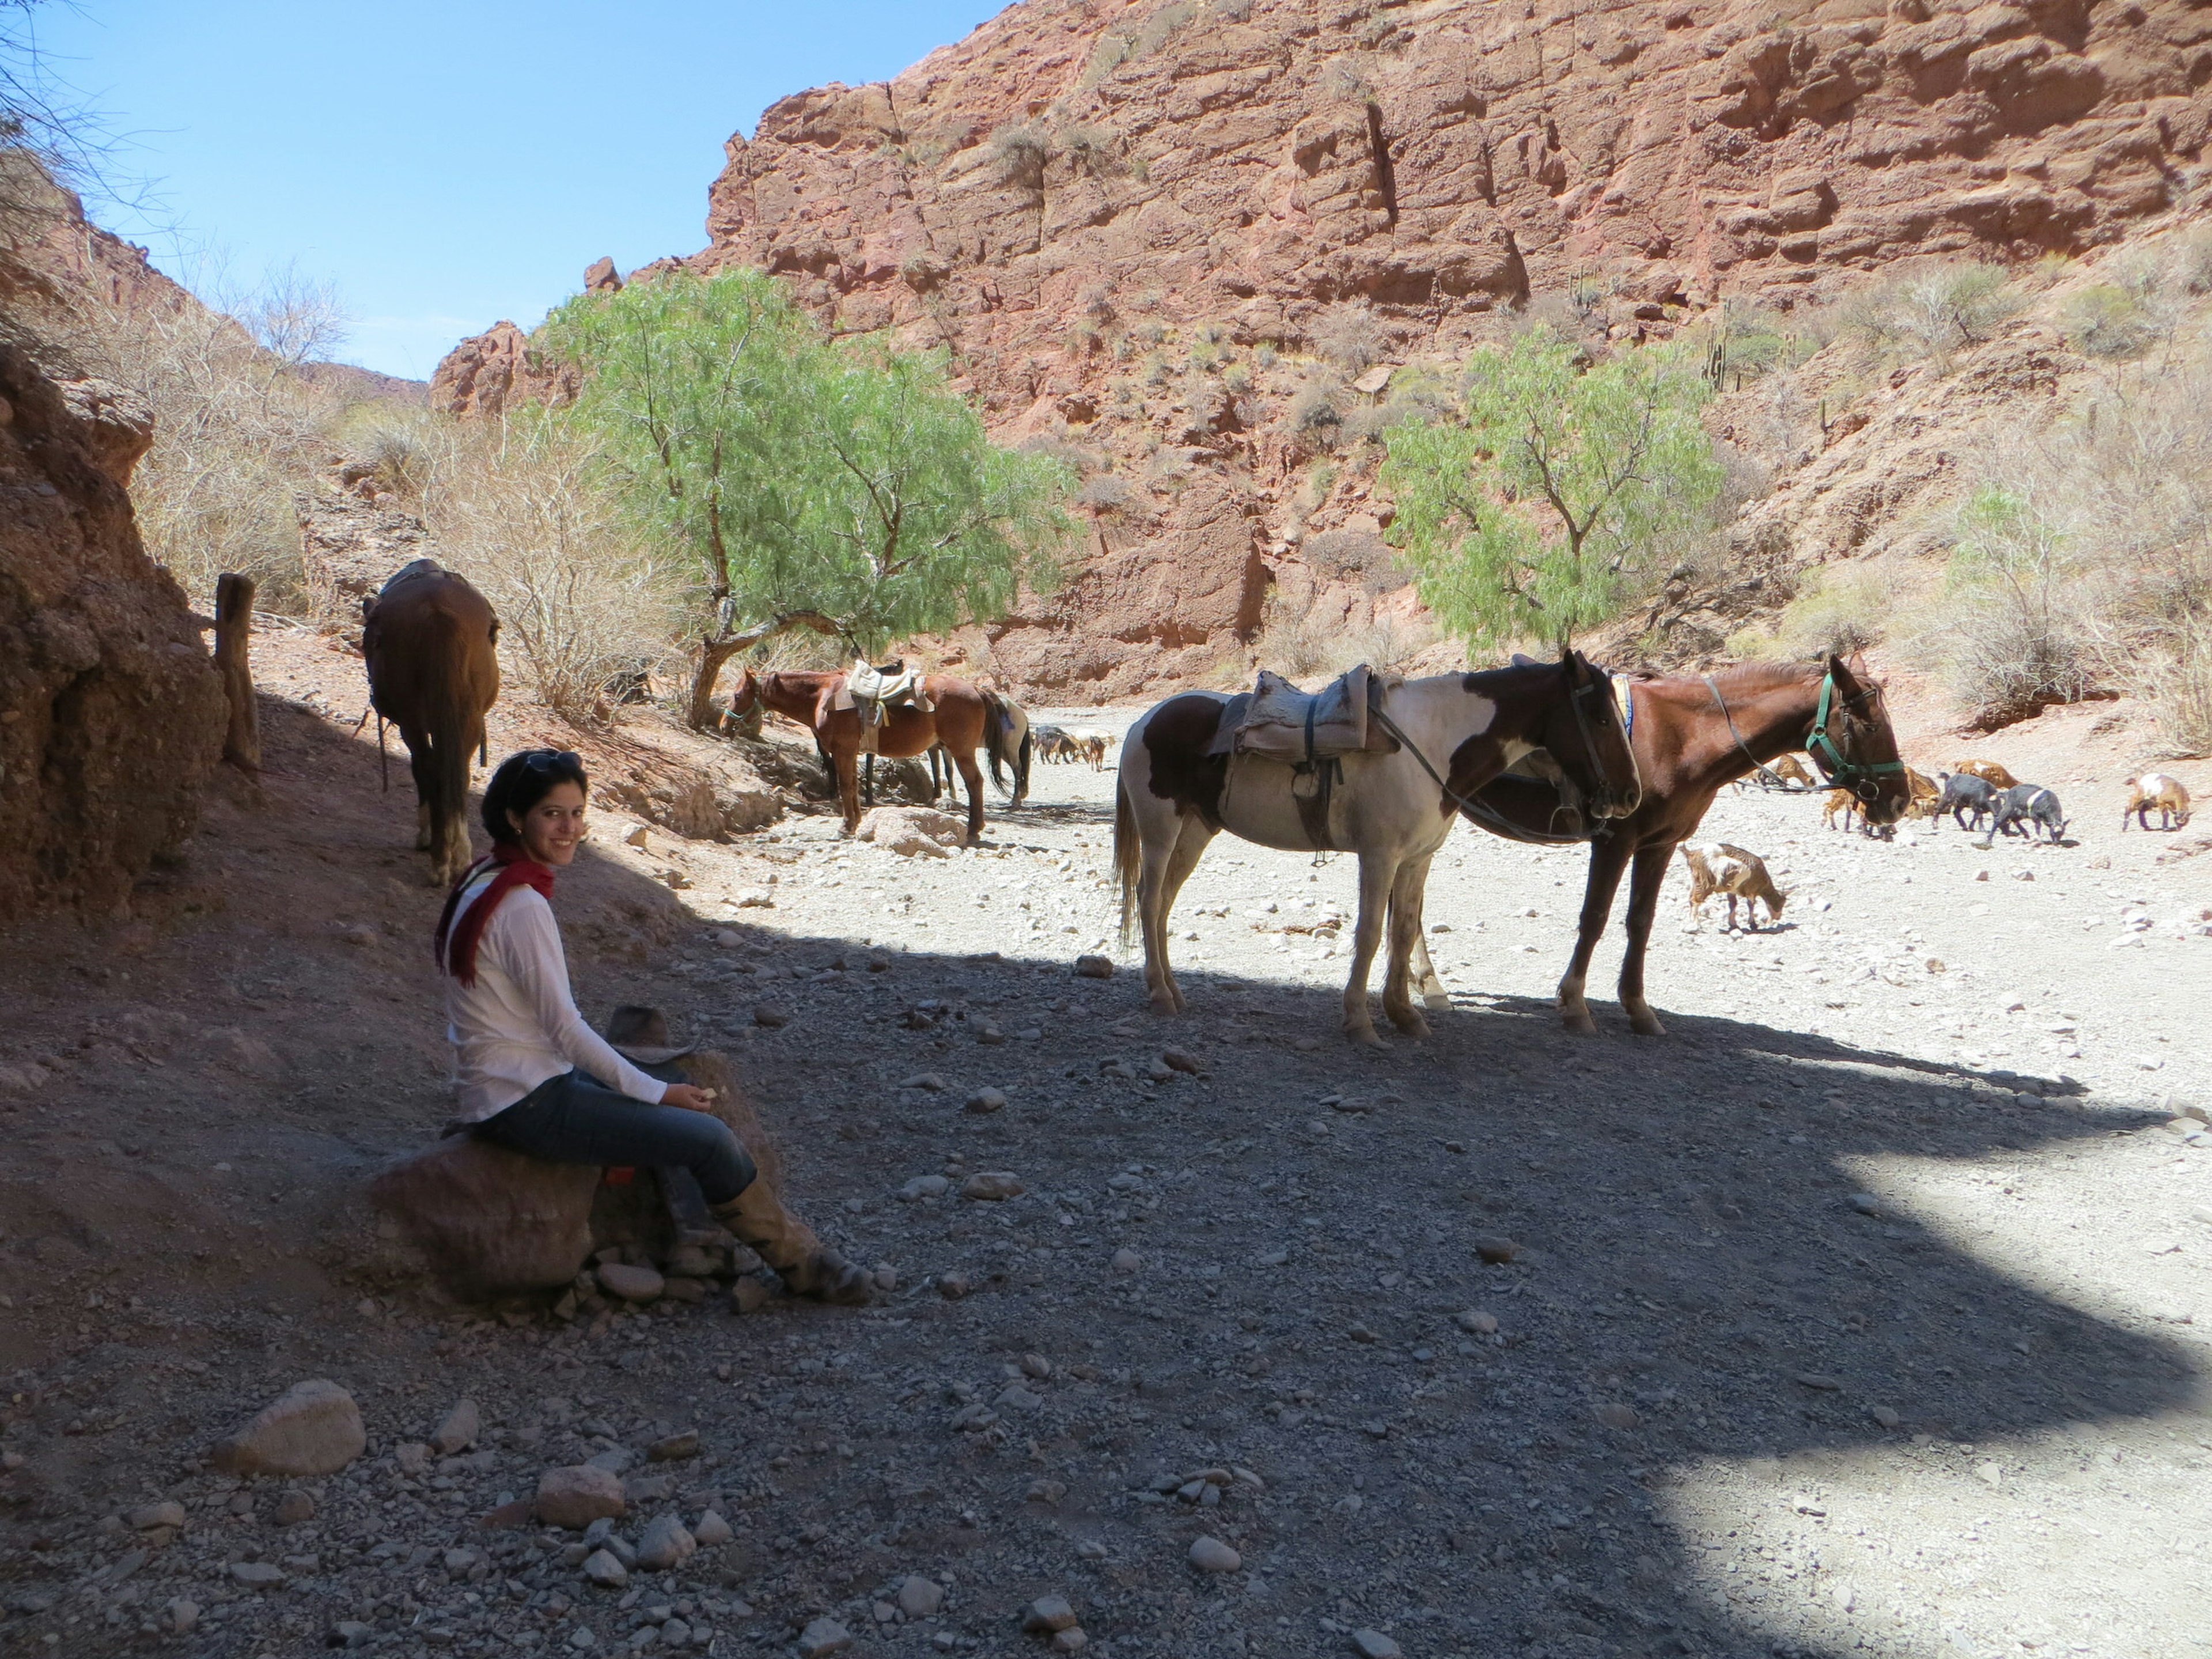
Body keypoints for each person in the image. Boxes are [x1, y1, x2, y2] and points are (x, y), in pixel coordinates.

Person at [434, 747, 870, 1304]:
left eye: (576, 812)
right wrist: (656, 1093)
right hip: (525, 1101)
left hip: (510, 1080)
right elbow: (565, 1029)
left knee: (652, 1075)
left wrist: (644, 1088)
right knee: (708, 1136)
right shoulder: (521, 905)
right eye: (551, 813)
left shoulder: (485, 876)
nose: (569, 828)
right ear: (517, 818)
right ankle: (806, 1265)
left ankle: (695, 1237)